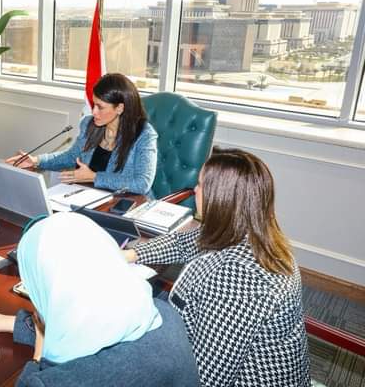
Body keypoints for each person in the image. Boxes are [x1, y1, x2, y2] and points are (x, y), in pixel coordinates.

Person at [123, 148, 310, 386]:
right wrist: (129, 254)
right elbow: (181, 242)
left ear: (222, 198)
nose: (194, 190)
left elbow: (207, 378)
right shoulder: (247, 230)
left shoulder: (240, 280)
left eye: (201, 185)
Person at [0, 212, 199, 387]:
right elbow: (82, 327)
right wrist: (4, 322)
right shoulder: (163, 314)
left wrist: (38, 354)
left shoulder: (56, 381)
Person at [6, 73, 157, 195]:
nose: (94, 112)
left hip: (126, 204)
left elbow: (142, 183)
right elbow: (72, 157)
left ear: (119, 108)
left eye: (100, 107)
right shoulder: (89, 124)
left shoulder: (144, 134)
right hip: (88, 197)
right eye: (94, 104)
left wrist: (94, 177)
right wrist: (36, 161)